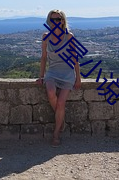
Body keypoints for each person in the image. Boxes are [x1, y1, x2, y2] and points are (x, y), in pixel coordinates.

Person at [36, 9, 81, 147]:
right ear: (49, 21)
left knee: (61, 103)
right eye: (53, 19)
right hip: (52, 72)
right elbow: (44, 58)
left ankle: (56, 133)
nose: (56, 22)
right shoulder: (45, 37)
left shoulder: (69, 37)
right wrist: (41, 76)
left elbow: (75, 58)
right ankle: (61, 118)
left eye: (58, 19)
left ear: (63, 21)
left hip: (67, 73)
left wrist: (78, 78)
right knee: (50, 92)